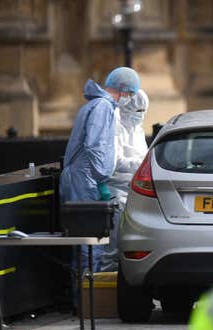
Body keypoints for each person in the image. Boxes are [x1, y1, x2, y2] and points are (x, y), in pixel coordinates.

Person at [59, 66, 140, 298]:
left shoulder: (95, 105)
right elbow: (95, 146)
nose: (130, 99)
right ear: (124, 90)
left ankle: (81, 298)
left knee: (84, 240)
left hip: (82, 177)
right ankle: (87, 301)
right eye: (131, 94)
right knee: (90, 240)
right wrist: (102, 177)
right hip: (84, 178)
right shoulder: (103, 107)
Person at [99, 89, 149, 272]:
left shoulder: (138, 130)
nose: (141, 115)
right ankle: (105, 295)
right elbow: (115, 162)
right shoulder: (115, 127)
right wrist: (142, 165)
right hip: (116, 193)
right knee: (111, 250)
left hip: (135, 194)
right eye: (137, 110)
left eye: (144, 111)